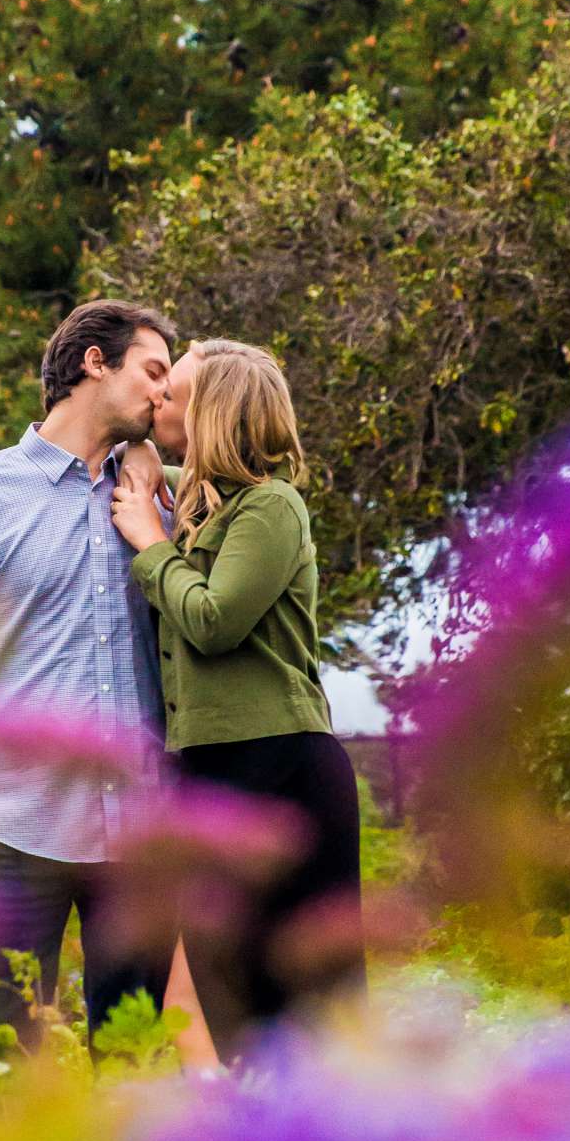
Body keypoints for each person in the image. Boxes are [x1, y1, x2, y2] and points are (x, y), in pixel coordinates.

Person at [0, 299, 178, 1066]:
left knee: (135, 1064)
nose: (165, 394)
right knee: (2, 1063)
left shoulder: (159, 502)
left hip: (141, 836)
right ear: (94, 361)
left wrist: (153, 473)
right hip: (11, 830)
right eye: (153, 372)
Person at [111, 337, 364, 1054]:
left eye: (174, 394)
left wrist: (148, 543)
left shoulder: (271, 508)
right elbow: (142, 467)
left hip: (279, 766)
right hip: (207, 769)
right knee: (232, 988)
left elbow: (215, 621)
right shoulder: (204, 508)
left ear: (214, 415)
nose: (158, 400)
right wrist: (137, 456)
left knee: (304, 995)